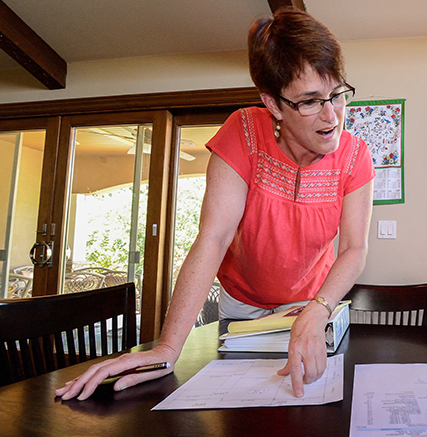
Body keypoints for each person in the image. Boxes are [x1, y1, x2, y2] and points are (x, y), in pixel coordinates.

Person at [56, 9, 374, 401]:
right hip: (242, 307)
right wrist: (167, 349)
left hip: (309, 304)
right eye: (309, 102)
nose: (332, 116)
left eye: (337, 94)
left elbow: (354, 248)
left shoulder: (356, 155)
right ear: (273, 104)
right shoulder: (242, 132)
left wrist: (318, 309)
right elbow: (213, 239)